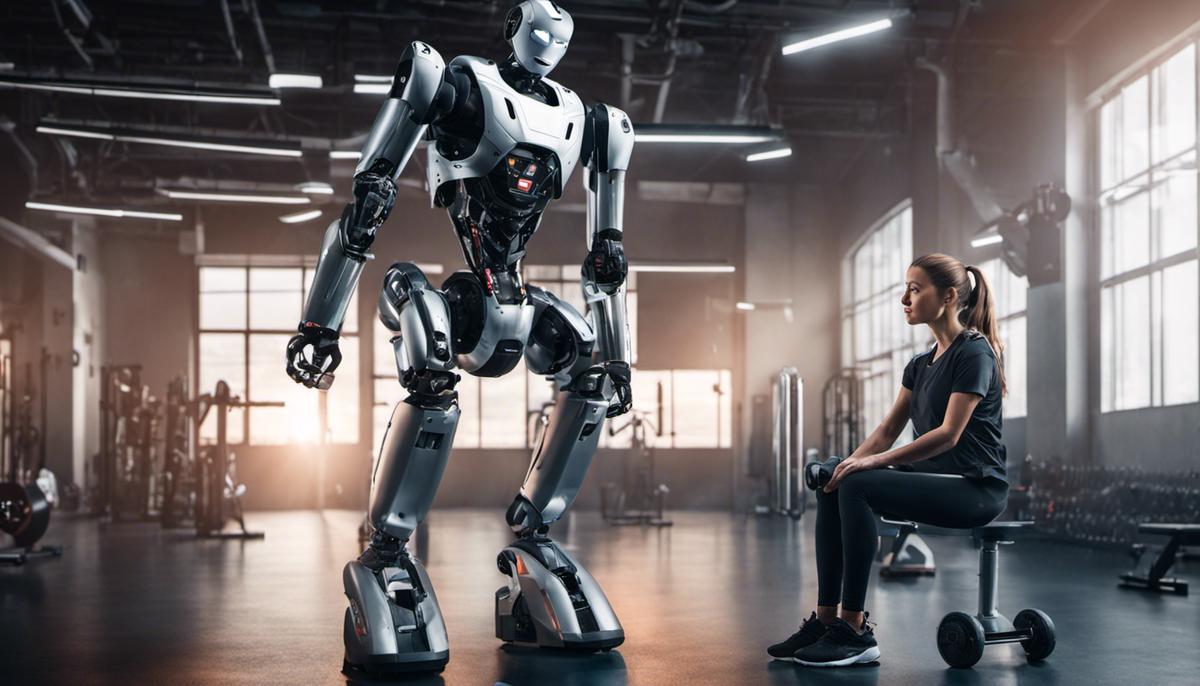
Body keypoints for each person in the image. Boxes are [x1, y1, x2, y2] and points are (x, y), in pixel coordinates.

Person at [769, 253, 1011, 667]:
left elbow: (947, 435)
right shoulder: (919, 365)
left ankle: (855, 631)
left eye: (915, 290)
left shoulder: (975, 354)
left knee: (860, 482)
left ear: (949, 296)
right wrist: (846, 464)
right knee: (836, 479)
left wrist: (870, 466)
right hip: (935, 481)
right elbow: (885, 432)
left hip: (975, 489)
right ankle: (827, 621)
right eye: (906, 289)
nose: (904, 298)